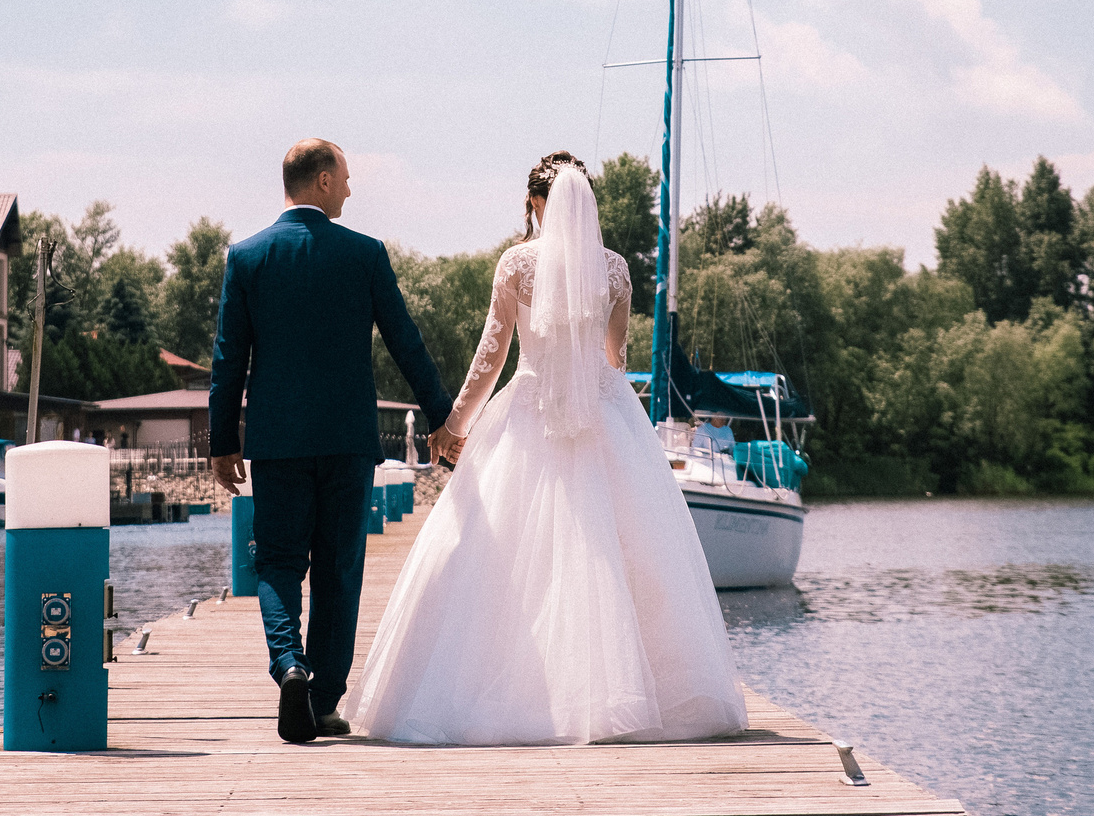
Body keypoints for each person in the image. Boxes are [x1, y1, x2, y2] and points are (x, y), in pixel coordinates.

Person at [344, 152, 748, 745]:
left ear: (536, 203)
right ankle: (636, 697)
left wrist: (453, 425)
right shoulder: (613, 270)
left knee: (497, 556)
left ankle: (516, 695)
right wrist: (590, 380)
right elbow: (616, 358)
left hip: (528, 410)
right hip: (605, 414)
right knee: (619, 553)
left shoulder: (516, 264)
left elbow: (491, 358)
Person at [209, 139, 461, 745]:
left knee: (276, 564)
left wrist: (223, 442)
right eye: (345, 178)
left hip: (276, 444)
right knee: (338, 571)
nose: (350, 189)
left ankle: (288, 666)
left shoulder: (247, 258)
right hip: (348, 442)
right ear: (321, 181)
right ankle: (322, 703)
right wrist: (443, 419)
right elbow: (407, 341)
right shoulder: (364, 255)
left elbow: (228, 360)